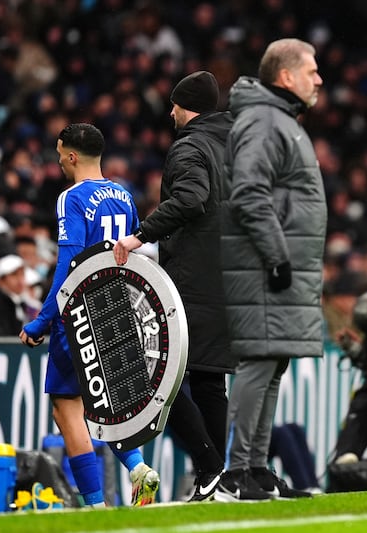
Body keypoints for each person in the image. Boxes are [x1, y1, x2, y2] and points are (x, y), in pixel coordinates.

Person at [19, 123, 160, 508]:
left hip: (78, 311)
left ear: (70, 155)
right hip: (116, 308)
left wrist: (42, 320)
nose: (59, 161)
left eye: (59, 153)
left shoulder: (71, 198)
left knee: (68, 410)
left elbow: (69, 263)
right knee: (110, 405)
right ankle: (138, 468)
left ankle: (95, 506)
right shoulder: (125, 196)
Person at [114, 70, 233, 502]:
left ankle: (209, 465)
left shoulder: (190, 146)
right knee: (209, 379)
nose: (170, 112)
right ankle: (215, 481)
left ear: (187, 107)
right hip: (232, 275)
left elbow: (190, 199)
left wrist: (138, 235)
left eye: (174, 104)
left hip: (194, 278)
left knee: (159, 377)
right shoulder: (236, 143)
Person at [217, 38, 326, 502]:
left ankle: (256, 469)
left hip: (281, 264)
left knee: (273, 362)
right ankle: (233, 473)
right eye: (311, 70)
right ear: (286, 76)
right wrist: (278, 255)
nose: (318, 78)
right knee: (259, 362)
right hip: (265, 266)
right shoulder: (263, 120)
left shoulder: (280, 120)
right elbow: (248, 193)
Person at [0, 254, 39, 336]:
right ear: (0, 280)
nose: (20, 279)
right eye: (14, 275)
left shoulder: (27, 304)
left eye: (22, 274)